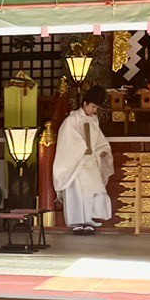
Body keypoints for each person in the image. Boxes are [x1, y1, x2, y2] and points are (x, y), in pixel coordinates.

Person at [52, 98, 116, 232]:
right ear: (85, 103)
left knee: (93, 190)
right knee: (77, 192)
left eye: (96, 108)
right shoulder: (72, 120)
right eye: (92, 106)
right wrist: (82, 149)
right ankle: (76, 222)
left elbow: (99, 140)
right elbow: (67, 140)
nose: (94, 110)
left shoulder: (93, 120)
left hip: (91, 161)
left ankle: (89, 220)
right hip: (76, 162)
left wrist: (102, 150)